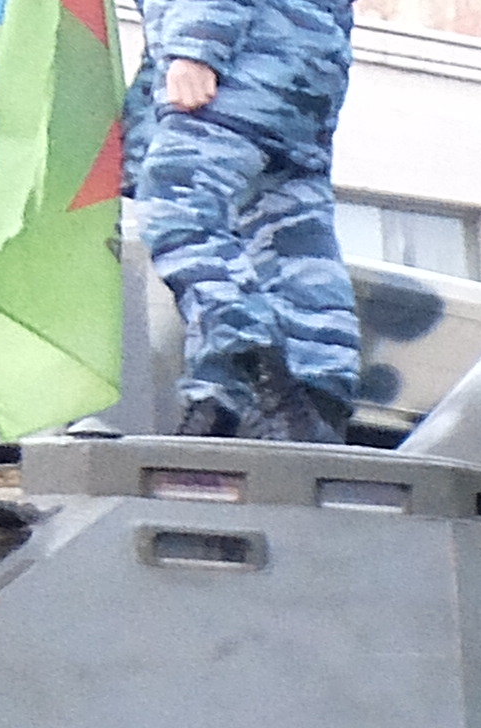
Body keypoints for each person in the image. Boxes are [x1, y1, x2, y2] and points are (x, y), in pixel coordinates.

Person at [124, 0, 360, 441]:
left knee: (178, 200)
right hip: (301, 60)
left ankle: (251, 364)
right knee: (289, 229)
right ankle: (310, 397)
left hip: (244, 55)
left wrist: (197, 47)